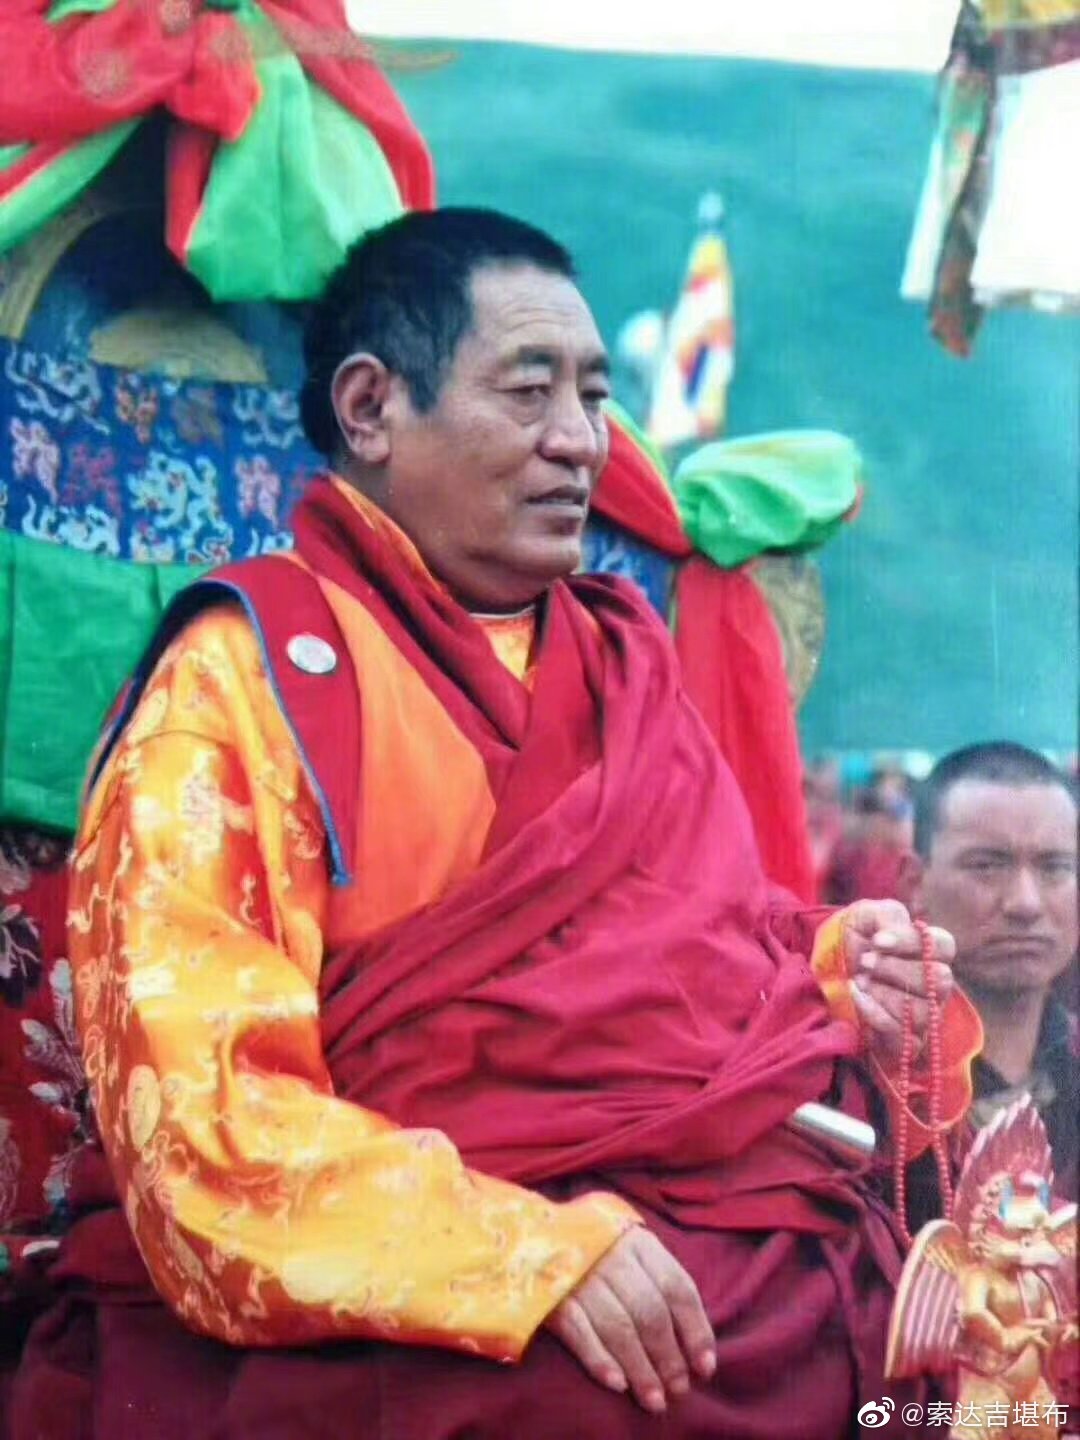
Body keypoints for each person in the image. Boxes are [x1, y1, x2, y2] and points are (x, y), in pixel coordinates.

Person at [9, 209, 980, 1440]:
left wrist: (837, 966)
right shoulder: (241, 684)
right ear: (371, 409)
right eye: (530, 391)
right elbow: (200, 1122)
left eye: (594, 396)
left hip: (705, 1216)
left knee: (933, 1326)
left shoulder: (622, 663)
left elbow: (713, 948)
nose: (579, 440)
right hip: (407, 1267)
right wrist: (519, 1255)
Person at [908, 742, 1078, 1201]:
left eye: (1054, 867)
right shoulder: (877, 1087)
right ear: (914, 883)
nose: (1025, 903)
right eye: (987, 866)